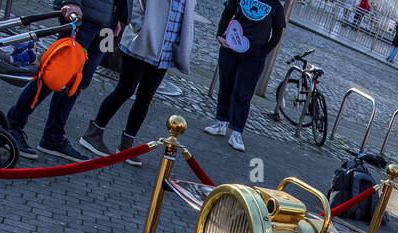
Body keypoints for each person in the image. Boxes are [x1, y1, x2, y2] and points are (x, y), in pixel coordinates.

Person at [5, 0, 130, 161]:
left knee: (78, 81)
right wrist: (71, 2)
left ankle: (53, 136)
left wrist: (119, 16)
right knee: (56, 73)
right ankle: (14, 124)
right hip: (84, 15)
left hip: (107, 20)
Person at [79, 0, 194, 166]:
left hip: (164, 53)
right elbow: (135, 4)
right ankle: (93, 132)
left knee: (145, 98)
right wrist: (140, 28)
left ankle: (126, 146)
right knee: (125, 90)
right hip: (140, 45)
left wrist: (180, 46)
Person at [204, 0, 285, 152]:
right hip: (230, 47)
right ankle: (220, 122)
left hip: (253, 56)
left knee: (243, 94)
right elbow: (227, 12)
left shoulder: (275, 5)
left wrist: (263, 52)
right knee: (225, 87)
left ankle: (236, 132)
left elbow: (278, 33)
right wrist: (219, 34)